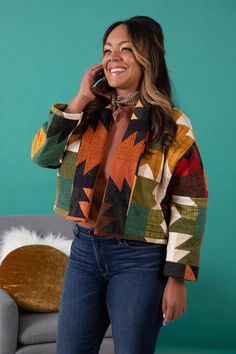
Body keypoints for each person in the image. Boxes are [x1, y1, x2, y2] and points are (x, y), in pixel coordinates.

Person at [31, 15, 208, 354]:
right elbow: (42, 155)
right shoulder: (87, 115)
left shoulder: (172, 125)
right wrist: (80, 99)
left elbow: (190, 202)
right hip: (84, 251)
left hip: (140, 259)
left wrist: (176, 278)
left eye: (126, 49)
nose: (113, 57)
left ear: (148, 57)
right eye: (107, 50)